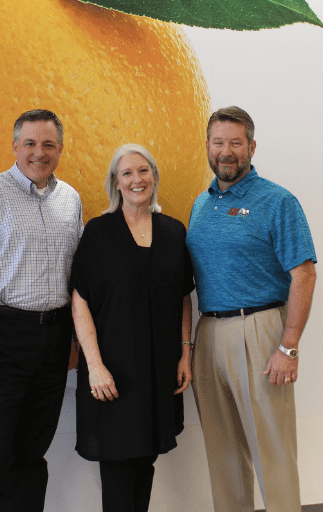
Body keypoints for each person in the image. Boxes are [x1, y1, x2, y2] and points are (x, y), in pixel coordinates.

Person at [0, 109, 83, 511]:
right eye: (29, 143)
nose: (38, 153)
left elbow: (80, 273)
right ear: (14, 146)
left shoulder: (70, 200)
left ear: (59, 149)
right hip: (2, 338)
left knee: (31, 453)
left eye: (48, 144)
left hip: (55, 339)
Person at [186, 106, 318, 512]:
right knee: (222, 453)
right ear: (208, 146)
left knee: (272, 450)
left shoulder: (277, 201)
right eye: (219, 143)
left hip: (260, 332)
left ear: (252, 147)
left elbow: (305, 275)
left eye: (236, 144)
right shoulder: (200, 204)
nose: (227, 152)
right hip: (208, 334)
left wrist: (289, 345)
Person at [70, 143, 194, 512]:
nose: (136, 179)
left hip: (158, 371)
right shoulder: (98, 232)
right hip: (112, 373)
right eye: (127, 173)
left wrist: (186, 353)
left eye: (143, 171)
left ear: (154, 177)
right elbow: (80, 301)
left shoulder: (174, 231)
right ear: (116, 183)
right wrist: (94, 366)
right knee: (120, 466)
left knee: (144, 462)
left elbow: (183, 297)